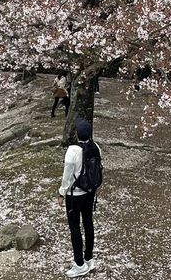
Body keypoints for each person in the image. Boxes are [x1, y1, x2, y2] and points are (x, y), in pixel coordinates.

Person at [58, 118, 101, 278]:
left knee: (75, 227)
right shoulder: (96, 147)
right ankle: (89, 258)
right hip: (90, 192)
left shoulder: (73, 151)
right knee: (88, 222)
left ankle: (79, 264)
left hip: (74, 195)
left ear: (77, 134)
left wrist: (61, 193)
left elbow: (67, 176)